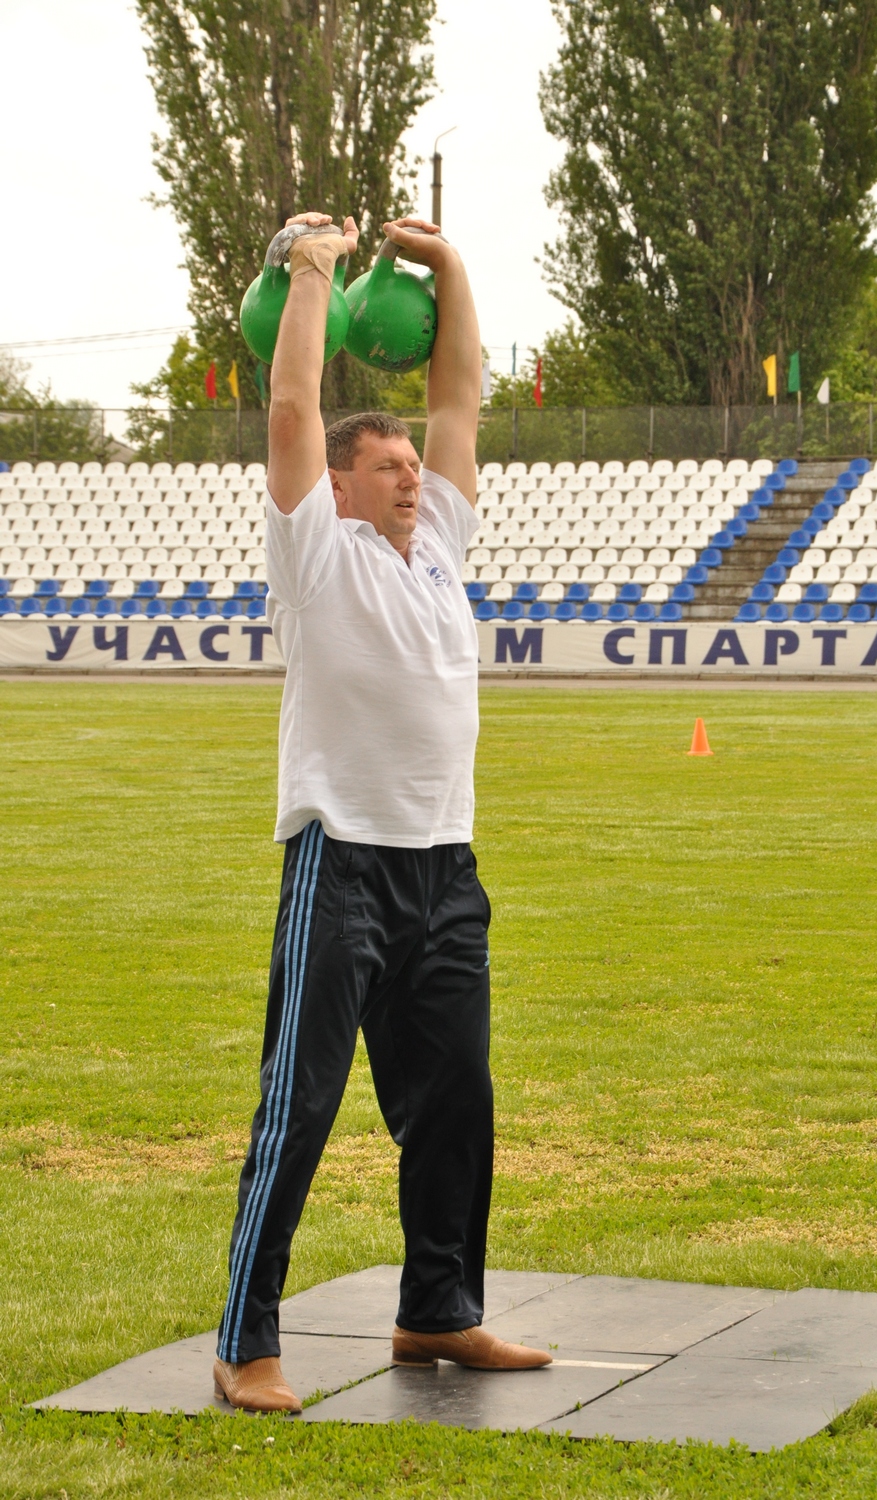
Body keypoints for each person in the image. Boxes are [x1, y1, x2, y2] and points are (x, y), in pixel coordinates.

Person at [212, 210, 552, 1413]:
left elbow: (460, 401)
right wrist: (313, 272)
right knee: (300, 1106)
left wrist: (452, 269)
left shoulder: (441, 544)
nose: (416, 474)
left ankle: (438, 1312)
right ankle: (245, 1340)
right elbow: (291, 408)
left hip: (445, 869)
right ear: (342, 483)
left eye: (417, 464)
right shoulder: (315, 552)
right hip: (342, 865)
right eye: (391, 466)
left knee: (457, 1100)